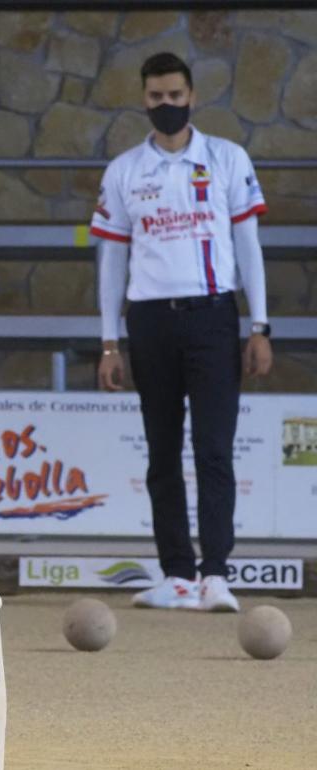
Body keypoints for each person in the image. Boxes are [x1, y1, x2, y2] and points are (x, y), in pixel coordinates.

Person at [92, 52, 271, 612]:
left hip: (213, 316)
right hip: (148, 321)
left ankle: (215, 573)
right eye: (155, 98)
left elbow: (248, 247)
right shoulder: (124, 170)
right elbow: (111, 262)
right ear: (143, 100)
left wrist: (259, 324)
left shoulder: (226, 158)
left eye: (174, 96)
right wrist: (108, 341)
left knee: (214, 449)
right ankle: (175, 573)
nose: (165, 106)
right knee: (161, 453)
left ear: (192, 95)